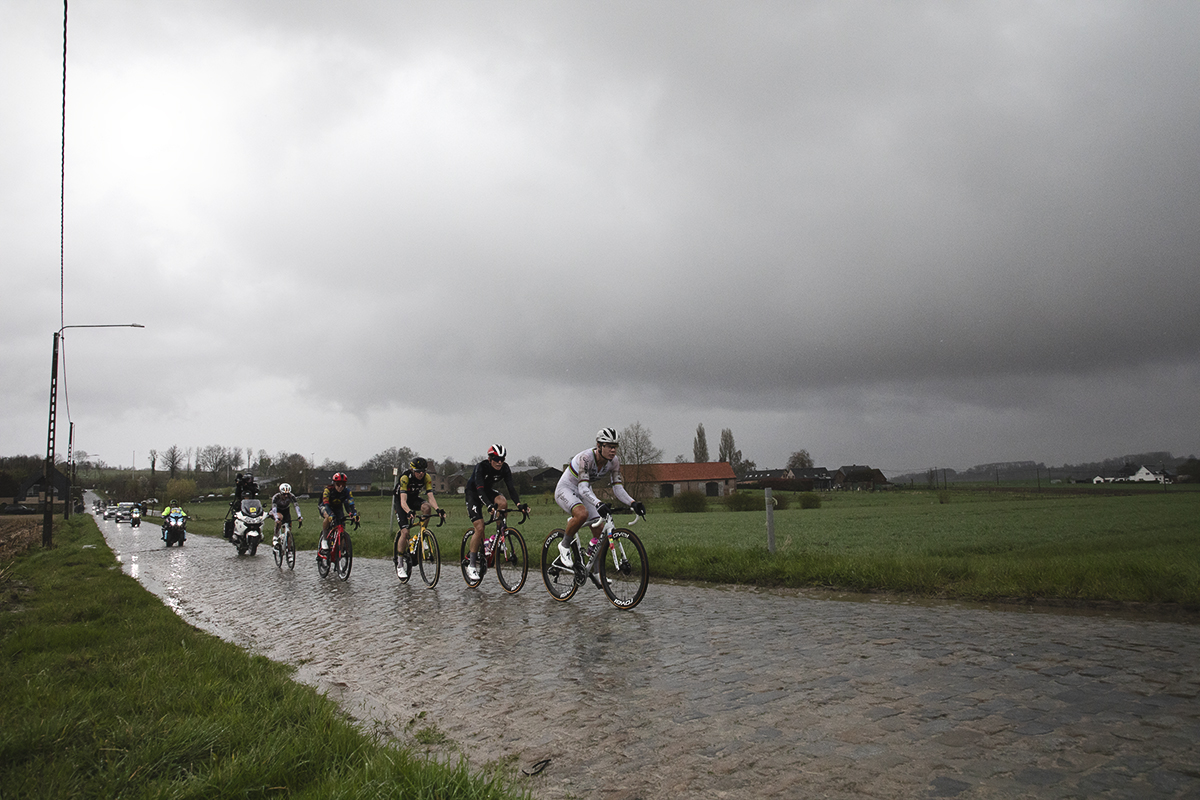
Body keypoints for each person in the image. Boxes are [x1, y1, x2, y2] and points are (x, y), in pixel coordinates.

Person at [553, 427, 646, 571]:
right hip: (566, 489)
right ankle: (564, 545)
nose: (613, 450)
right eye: (609, 446)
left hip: (584, 489)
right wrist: (598, 503)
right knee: (582, 514)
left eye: (615, 446)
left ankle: (595, 571)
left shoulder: (614, 462)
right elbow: (583, 489)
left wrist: (633, 502)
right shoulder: (586, 458)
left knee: (600, 529)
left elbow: (617, 488)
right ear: (599, 446)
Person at [463, 444, 529, 581]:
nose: (499, 462)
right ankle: (471, 565)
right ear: (490, 458)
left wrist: (519, 504)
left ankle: (500, 534)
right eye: (496, 459)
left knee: (503, 502)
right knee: (480, 527)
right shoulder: (482, 467)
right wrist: (488, 506)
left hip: (487, 491)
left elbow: (511, 488)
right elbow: (479, 490)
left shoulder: (504, 468)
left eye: (502, 459)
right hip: (474, 493)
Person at [392, 457, 446, 578]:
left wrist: (438, 510)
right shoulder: (405, 478)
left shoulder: (426, 477)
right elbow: (403, 502)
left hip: (414, 499)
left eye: (423, 471)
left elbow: (430, 496)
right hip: (401, 501)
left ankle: (422, 535)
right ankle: (400, 565)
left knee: (427, 507)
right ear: (412, 469)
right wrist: (408, 512)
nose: (421, 473)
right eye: (418, 471)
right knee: (405, 532)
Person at [318, 472, 358, 556]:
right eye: (338, 484)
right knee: (328, 517)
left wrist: (353, 514)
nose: (341, 487)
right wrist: (331, 515)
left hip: (337, 508)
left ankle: (340, 548)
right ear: (334, 483)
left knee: (341, 527)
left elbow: (350, 503)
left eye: (343, 484)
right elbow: (326, 504)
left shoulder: (347, 491)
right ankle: (324, 540)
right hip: (325, 506)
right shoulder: (328, 490)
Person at [225, 472, 259, 538]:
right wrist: (239, 484)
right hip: (241, 504)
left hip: (251, 504)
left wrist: (246, 485)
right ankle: (232, 533)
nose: (248, 481)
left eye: (249, 479)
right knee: (235, 516)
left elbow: (255, 490)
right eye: (247, 479)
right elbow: (237, 494)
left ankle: (257, 532)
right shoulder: (241, 486)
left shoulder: (253, 486)